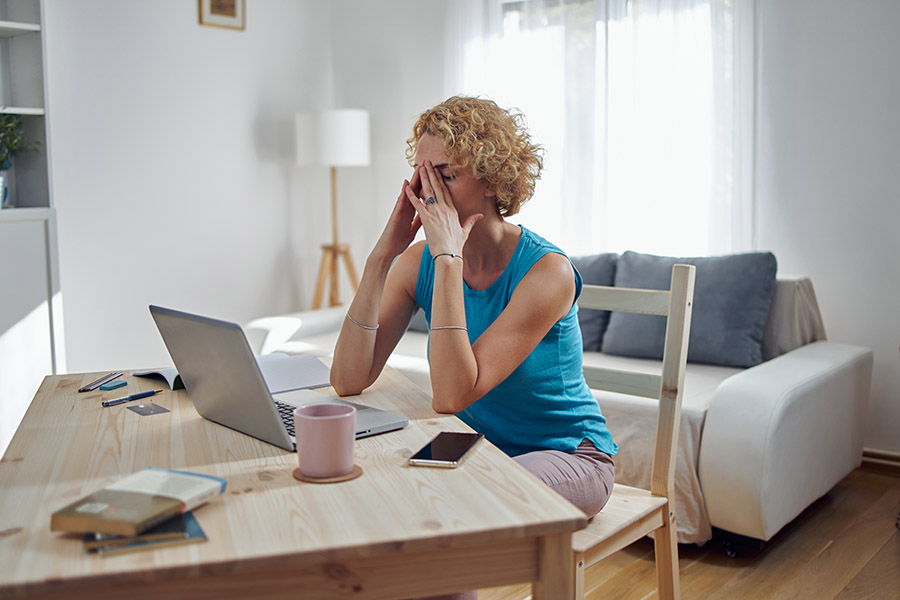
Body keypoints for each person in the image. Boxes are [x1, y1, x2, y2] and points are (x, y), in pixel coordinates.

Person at [331, 95, 617, 526]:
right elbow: (348, 380)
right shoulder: (417, 262)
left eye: (444, 174)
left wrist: (449, 259)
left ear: (492, 181)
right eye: (421, 174)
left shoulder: (547, 272)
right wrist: (381, 258)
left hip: (567, 454)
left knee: (456, 503)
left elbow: (450, 395)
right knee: (381, 494)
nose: (428, 190)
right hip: (473, 446)